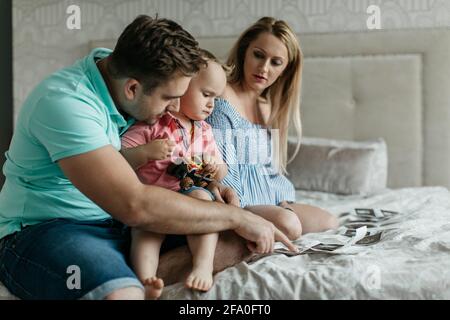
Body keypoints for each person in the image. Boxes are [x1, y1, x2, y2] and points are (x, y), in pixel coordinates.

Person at [0, 15, 296, 300]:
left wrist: (208, 186)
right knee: (120, 293)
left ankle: (139, 275)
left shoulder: (127, 75)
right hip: (51, 227)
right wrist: (237, 215)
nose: (174, 109)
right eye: (169, 99)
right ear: (132, 88)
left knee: (242, 240)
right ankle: (128, 282)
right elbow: (135, 204)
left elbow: (167, 175)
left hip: (122, 221)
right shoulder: (65, 103)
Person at [206, 17, 339, 238]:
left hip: (269, 198)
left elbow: (270, 170)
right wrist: (240, 214)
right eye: (258, 55)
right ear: (244, 51)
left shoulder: (266, 106)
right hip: (239, 201)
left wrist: (283, 200)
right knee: (290, 225)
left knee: (329, 222)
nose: (263, 68)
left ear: (285, 70)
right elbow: (223, 170)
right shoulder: (222, 96)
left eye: (276, 62)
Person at [120, 51, 228, 298]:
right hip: (155, 200)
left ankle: (203, 266)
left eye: (216, 97)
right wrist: (145, 152)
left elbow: (222, 172)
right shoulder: (153, 122)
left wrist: (215, 168)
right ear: (183, 86)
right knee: (145, 230)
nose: (212, 104)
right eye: (206, 94)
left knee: (204, 203)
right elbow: (119, 159)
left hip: (189, 199)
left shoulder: (204, 131)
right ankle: (146, 278)